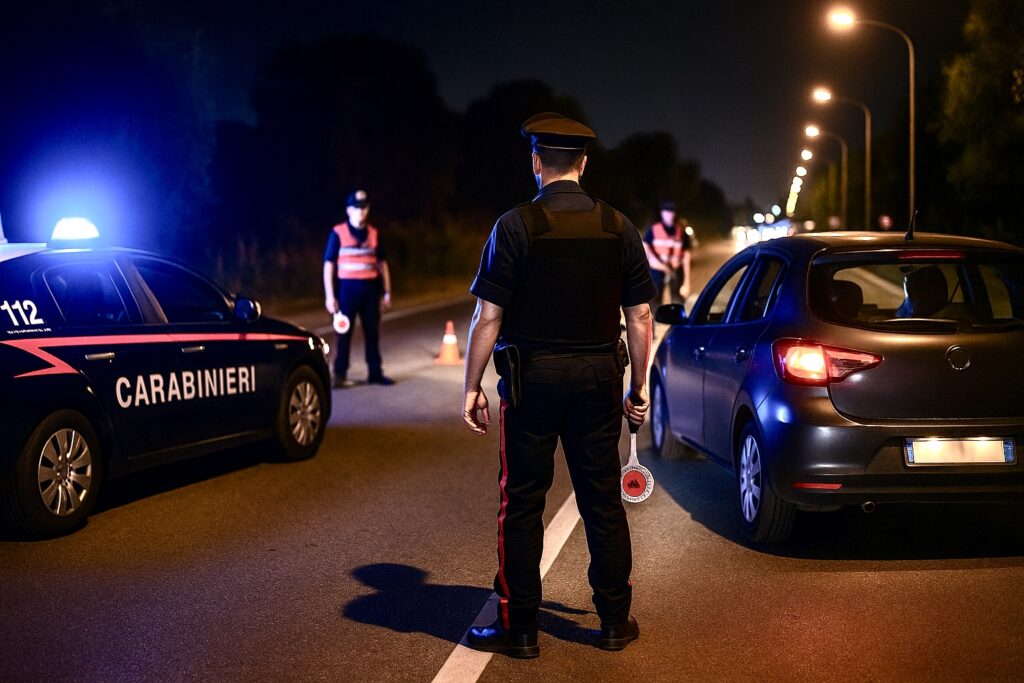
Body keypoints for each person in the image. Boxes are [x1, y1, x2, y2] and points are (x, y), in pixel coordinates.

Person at [461, 112, 656, 658]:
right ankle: (614, 621)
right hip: (598, 381)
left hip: (532, 382)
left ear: (537, 162)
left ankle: (518, 629)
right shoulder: (618, 226)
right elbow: (640, 316)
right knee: (602, 503)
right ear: (584, 164)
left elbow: (487, 315)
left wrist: (471, 385)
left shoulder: (516, 226)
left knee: (521, 505)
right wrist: (636, 389)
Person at [322, 190, 394, 388]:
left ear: (368, 209)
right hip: (347, 290)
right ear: (348, 210)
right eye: (356, 207)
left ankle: (375, 373)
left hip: (371, 290)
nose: (360, 211)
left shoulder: (374, 234)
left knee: (372, 332)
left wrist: (386, 292)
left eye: (364, 207)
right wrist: (330, 296)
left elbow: (382, 264)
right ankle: (339, 374)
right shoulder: (338, 233)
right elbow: (329, 264)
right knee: (344, 332)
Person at [642, 200, 693, 306]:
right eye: (666, 212)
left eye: (671, 212)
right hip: (657, 271)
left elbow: (686, 256)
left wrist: (687, 282)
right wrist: (653, 261)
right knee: (654, 302)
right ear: (662, 213)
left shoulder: (681, 232)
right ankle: (653, 321)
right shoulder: (653, 230)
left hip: (675, 271)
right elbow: (645, 246)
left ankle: (676, 321)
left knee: (678, 302)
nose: (669, 215)